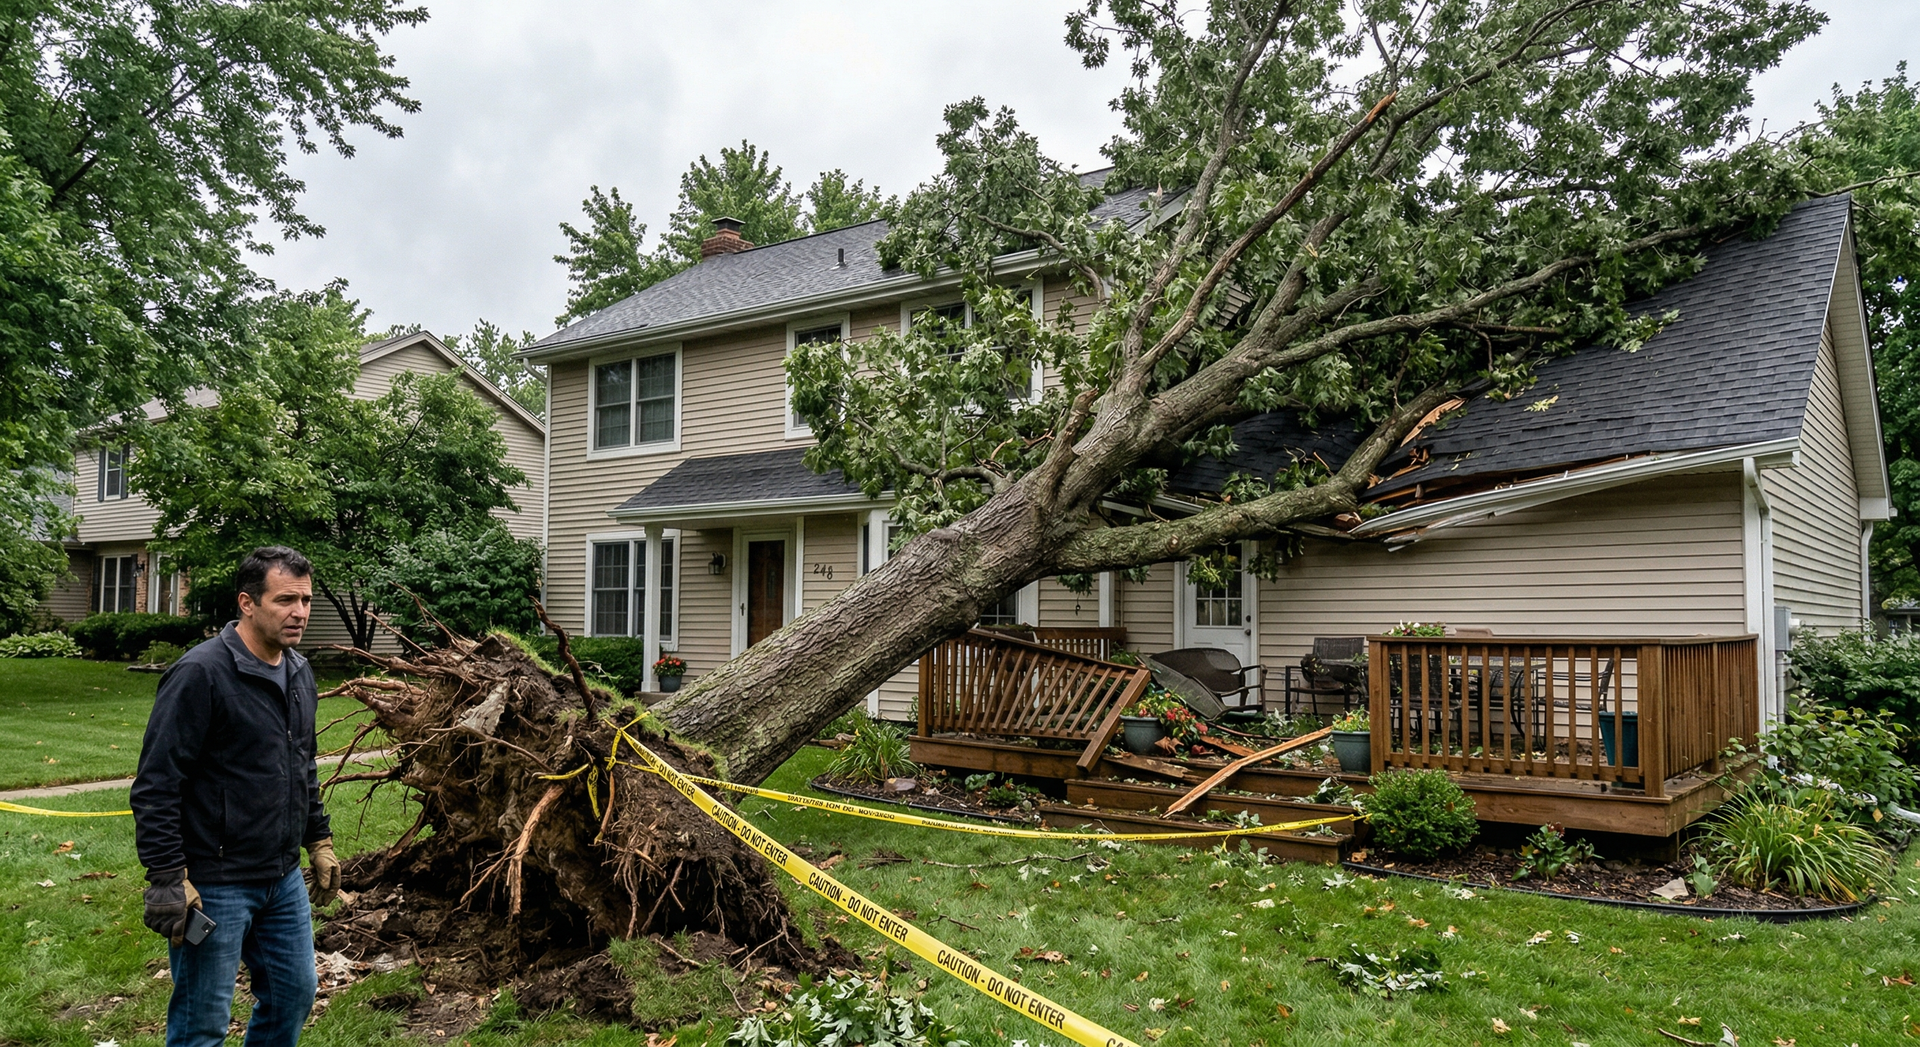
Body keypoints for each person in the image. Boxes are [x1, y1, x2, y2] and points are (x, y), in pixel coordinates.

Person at [131, 546, 341, 1047]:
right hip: (215, 881)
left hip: (281, 877)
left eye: (307, 600)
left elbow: (300, 765)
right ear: (247, 603)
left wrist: (319, 839)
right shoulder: (200, 674)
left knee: (293, 995)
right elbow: (157, 783)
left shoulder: (299, 672)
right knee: (202, 1022)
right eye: (285, 599)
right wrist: (167, 877)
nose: (300, 613)